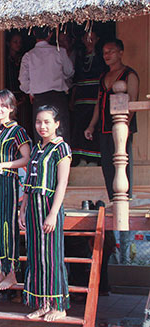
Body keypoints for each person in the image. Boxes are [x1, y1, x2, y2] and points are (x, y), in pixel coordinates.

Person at [84, 38, 139, 267]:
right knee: (107, 165)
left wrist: (124, 127)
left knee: (122, 164)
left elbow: (132, 103)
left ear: (121, 52)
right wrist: (91, 125)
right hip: (105, 127)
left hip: (120, 128)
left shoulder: (129, 75)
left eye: (111, 51)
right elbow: (98, 103)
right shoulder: (102, 77)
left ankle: (125, 199)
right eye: (104, 52)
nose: (107, 55)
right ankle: (113, 198)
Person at [19, 105, 71, 322]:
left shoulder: (62, 148)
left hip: (50, 207)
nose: (42, 126)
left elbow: (62, 183)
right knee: (36, 257)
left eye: (47, 122)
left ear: (57, 124)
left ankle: (59, 305)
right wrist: (22, 209)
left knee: (51, 258)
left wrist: (53, 214)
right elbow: (29, 183)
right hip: (32, 209)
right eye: (39, 122)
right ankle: (43, 303)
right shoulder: (37, 149)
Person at [0, 89, 31, 290]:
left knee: (5, 226)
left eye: (3, 105)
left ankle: (11, 274)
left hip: (7, 183)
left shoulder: (17, 131)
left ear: (11, 108)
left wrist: (1, 166)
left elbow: (26, 158)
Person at [19, 26, 74, 144]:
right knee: (60, 130)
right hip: (58, 97)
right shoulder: (60, 52)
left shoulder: (28, 56)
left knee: (41, 130)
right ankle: (62, 159)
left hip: (39, 98)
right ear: (50, 34)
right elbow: (70, 72)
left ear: (33, 33)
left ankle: (43, 158)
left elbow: (23, 80)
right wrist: (63, 80)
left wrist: (30, 91)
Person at [70, 30, 106, 166]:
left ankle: (94, 159)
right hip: (81, 97)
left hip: (95, 96)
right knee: (79, 127)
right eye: (86, 38)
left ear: (97, 39)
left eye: (92, 38)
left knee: (94, 126)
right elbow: (75, 80)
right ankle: (81, 158)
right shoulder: (79, 56)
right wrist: (72, 98)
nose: (89, 40)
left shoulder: (102, 56)